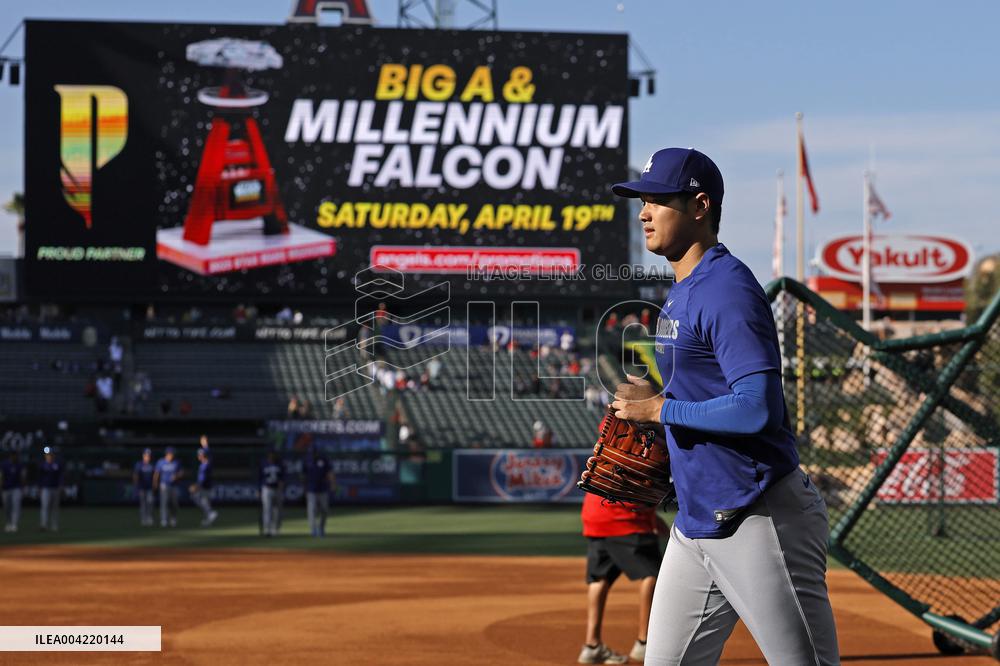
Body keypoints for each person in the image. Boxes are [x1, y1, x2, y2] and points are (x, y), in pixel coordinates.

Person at [609, 148, 839, 665]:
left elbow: (759, 408)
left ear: (699, 205)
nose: (643, 212)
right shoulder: (684, 289)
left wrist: (660, 412)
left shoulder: (727, 290)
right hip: (697, 524)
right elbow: (702, 391)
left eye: (657, 200)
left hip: (758, 516)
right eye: (641, 201)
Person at [578, 493, 668, 664]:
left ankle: (592, 646)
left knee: (600, 576)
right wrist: (650, 516)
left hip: (595, 515)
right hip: (627, 519)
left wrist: (652, 517)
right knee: (653, 574)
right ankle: (645, 642)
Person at [303, 445, 334, 537]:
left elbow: (329, 472)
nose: (312, 454)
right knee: (311, 510)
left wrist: (332, 484)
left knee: (325, 510)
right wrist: (304, 488)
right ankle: (313, 529)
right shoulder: (306, 460)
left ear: (317, 452)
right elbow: (303, 475)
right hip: (311, 489)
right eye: (311, 453)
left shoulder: (323, 460)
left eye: (314, 453)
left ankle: (321, 528)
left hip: (323, 488)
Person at [153, 447, 183, 527]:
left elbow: (181, 473)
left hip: (174, 486)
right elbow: (156, 473)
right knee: (164, 503)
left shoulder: (176, 462)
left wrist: (176, 476)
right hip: (164, 485)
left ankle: (173, 519)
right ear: (167, 454)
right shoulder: (161, 462)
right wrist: (155, 483)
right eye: (170, 454)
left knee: (174, 503)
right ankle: (164, 520)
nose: (171, 456)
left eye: (172, 454)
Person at [189, 448, 218, 527]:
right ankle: (208, 519)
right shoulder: (206, 464)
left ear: (203, 456)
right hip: (206, 486)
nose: (198, 456)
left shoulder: (205, 465)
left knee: (196, 498)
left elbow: (202, 479)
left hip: (205, 487)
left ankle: (210, 513)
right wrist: (205, 445)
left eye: (200, 455)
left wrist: (196, 486)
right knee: (205, 503)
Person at [259, 451, 285, 537]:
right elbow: (259, 476)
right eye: (270, 454)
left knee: (278, 511)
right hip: (267, 488)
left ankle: (276, 529)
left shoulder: (280, 463)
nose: (272, 456)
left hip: (278, 489)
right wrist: (259, 489)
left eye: (273, 454)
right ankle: (267, 529)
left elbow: (284, 476)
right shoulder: (263, 463)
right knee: (267, 510)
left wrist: (282, 483)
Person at [38, 446, 63, 531]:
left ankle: (54, 525)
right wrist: (40, 488)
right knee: (44, 507)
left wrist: (61, 486)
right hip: (45, 488)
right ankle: (44, 525)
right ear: (45, 456)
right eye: (48, 455)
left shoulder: (57, 464)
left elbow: (60, 476)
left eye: (50, 454)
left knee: (54, 508)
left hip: (55, 488)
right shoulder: (42, 465)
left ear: (53, 455)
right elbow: (40, 478)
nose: (49, 456)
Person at [1, 451, 27, 532]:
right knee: (7, 507)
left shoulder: (20, 464)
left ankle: (14, 524)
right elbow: (1, 476)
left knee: (16, 506)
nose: (14, 458)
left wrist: (23, 488)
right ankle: (9, 523)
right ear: (10, 456)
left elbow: (23, 477)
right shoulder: (4, 464)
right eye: (13, 456)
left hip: (17, 488)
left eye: (16, 456)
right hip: (6, 488)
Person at [133, 448, 156, 526]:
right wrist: (136, 485)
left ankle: (149, 518)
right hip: (141, 487)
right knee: (143, 504)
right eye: (146, 455)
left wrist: (154, 484)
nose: (147, 457)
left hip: (150, 487)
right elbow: (136, 475)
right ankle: (143, 519)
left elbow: (155, 476)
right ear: (143, 456)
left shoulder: (152, 464)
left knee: (150, 503)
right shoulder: (139, 464)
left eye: (149, 456)